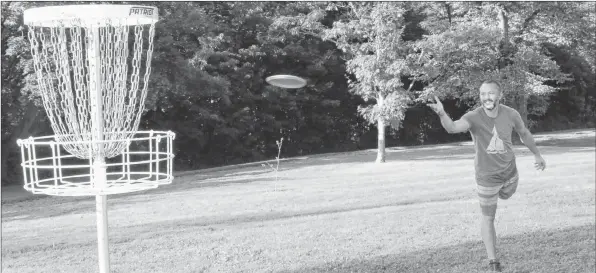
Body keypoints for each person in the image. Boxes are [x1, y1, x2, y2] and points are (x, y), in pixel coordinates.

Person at [426, 80, 546, 272]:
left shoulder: (511, 114)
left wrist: (537, 154)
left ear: (499, 95)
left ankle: (503, 192)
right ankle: (493, 262)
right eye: (482, 94)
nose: (486, 97)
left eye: (490, 93)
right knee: (488, 217)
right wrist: (442, 113)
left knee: (507, 193)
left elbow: (524, 133)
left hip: (509, 173)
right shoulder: (473, 117)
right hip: (486, 177)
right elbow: (453, 127)